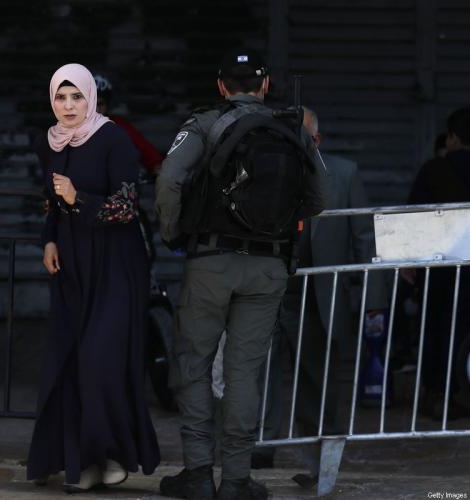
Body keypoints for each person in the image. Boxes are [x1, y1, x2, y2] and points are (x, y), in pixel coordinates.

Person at [155, 48, 326, 500]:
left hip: (211, 262)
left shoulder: (204, 124)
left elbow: (169, 179)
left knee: (194, 366)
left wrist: (174, 234)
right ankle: (235, 480)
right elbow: (319, 198)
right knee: (244, 374)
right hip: (269, 267)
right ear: (265, 86)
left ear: (220, 86)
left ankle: (198, 475)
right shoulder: (292, 128)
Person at [26, 63, 161, 493]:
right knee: (69, 361)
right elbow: (51, 202)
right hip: (71, 265)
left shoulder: (113, 139)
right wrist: (49, 240)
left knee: (100, 360)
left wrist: (77, 197)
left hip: (115, 264)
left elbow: (125, 206)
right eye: (61, 97)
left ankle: (112, 453)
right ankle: (83, 463)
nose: (68, 106)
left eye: (77, 97)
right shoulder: (51, 141)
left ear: (92, 98)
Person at [247, 106, 388, 469]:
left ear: (317, 140)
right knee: (260, 371)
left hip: (318, 295)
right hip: (266, 290)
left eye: (299, 138)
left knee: (318, 377)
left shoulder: (343, 173)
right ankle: (261, 444)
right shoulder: (260, 171)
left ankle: (319, 452)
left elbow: (365, 238)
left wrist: (374, 300)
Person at [407, 107, 470, 419]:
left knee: (437, 328)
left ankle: (439, 395)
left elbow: (413, 217)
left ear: (454, 137)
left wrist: (410, 262)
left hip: (441, 270)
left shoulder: (434, 170)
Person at [94, 73, 164, 173]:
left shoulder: (117, 124)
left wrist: (157, 167)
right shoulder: (72, 127)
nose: (96, 109)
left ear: (107, 105)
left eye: (100, 104)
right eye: (92, 104)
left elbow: (146, 150)